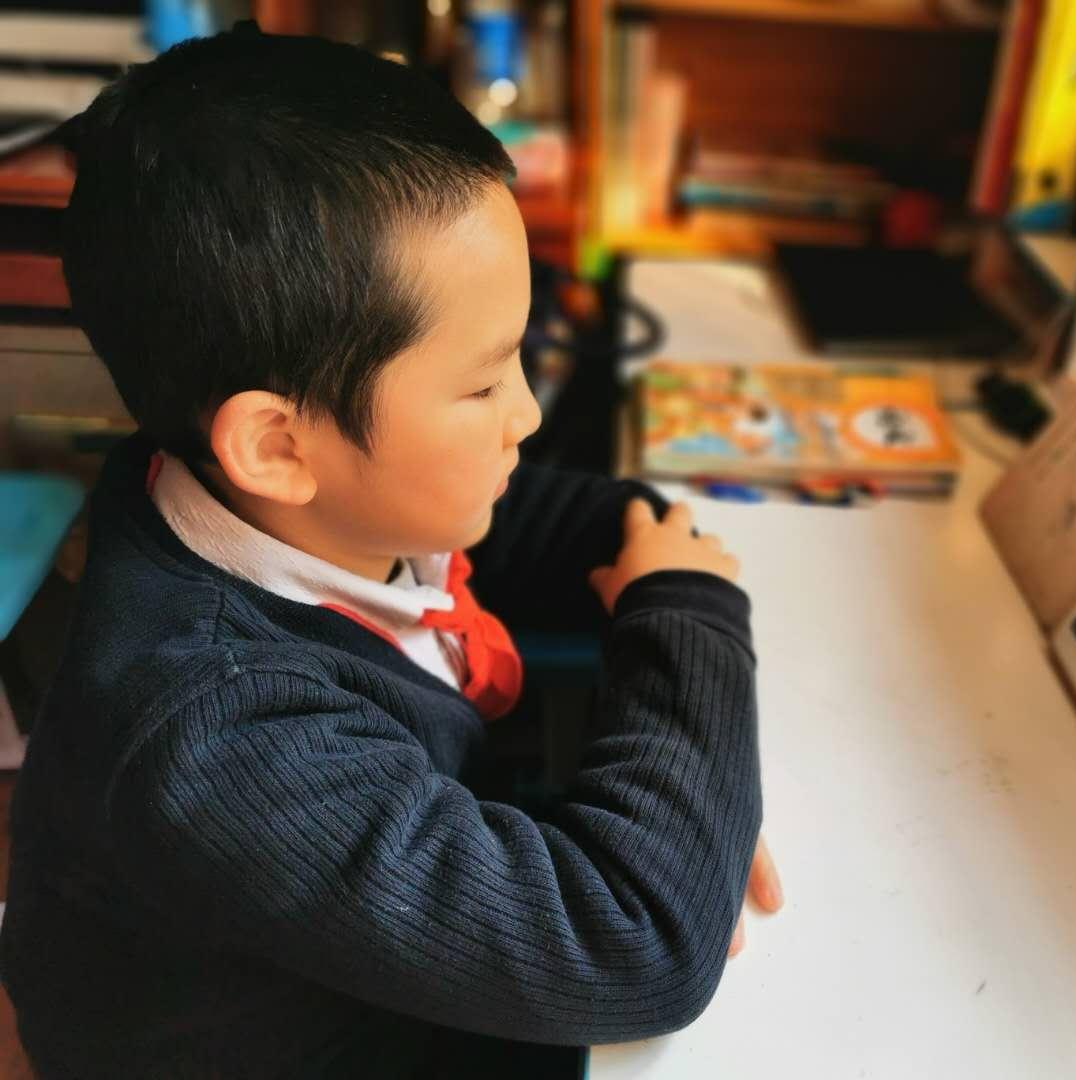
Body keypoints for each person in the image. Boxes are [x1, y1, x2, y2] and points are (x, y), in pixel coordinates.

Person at [0, 25, 780, 1078]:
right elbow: (638, 948)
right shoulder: (220, 738)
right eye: (484, 382)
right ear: (278, 445)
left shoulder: (279, 493)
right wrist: (689, 687)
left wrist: (693, 804)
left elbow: (611, 526)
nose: (527, 417)